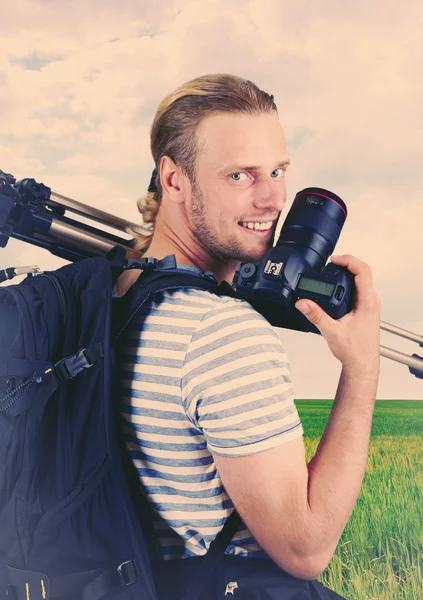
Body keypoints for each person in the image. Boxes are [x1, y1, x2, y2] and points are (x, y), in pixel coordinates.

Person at [114, 74, 380, 595]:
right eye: (241, 176)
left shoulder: (111, 287)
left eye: (279, 171)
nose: (274, 199)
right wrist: (362, 367)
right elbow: (306, 547)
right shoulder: (220, 333)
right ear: (173, 180)